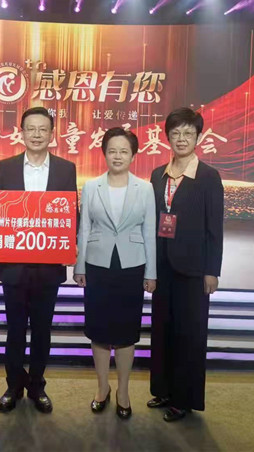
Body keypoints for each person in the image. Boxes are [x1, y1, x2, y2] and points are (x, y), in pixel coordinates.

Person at [0, 106, 78, 414]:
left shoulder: (66, 169)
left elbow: (71, 214)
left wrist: (70, 245)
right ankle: (13, 385)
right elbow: (0, 213)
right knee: (15, 330)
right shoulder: (6, 167)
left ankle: (37, 386)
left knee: (42, 330)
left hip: (49, 266)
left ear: (52, 134)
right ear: (22, 133)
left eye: (43, 129)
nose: (37, 134)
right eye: (31, 129)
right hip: (14, 267)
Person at [74, 127, 157, 420]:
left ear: (133, 155)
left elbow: (149, 232)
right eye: (112, 151)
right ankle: (102, 388)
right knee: (98, 331)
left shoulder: (145, 189)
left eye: (124, 151)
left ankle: (123, 391)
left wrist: (151, 272)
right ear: (104, 154)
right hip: (97, 265)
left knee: (125, 333)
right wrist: (80, 265)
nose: (118, 156)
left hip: (131, 266)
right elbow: (84, 228)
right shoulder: (91, 186)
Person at [148, 107, 224, 422]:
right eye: (176, 133)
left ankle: (184, 398)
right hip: (162, 266)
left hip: (193, 269)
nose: (181, 139)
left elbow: (214, 228)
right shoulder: (157, 175)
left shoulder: (208, 177)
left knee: (189, 334)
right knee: (162, 330)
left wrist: (212, 271)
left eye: (188, 134)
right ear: (167, 137)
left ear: (198, 138)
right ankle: (163, 390)